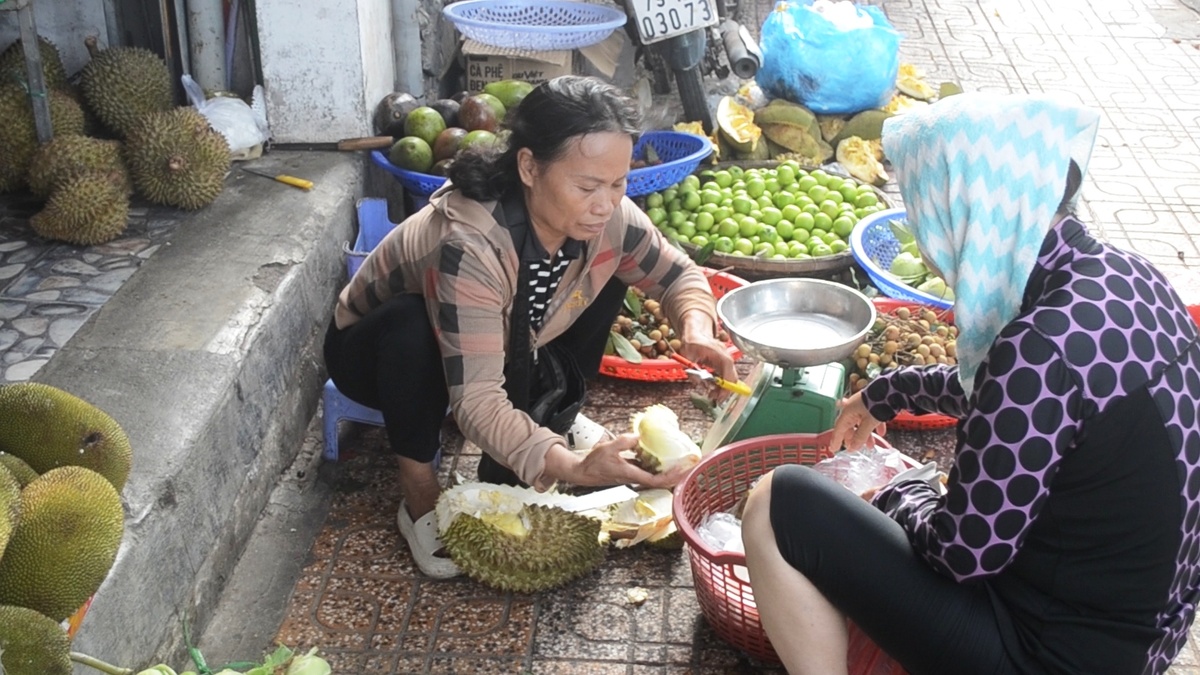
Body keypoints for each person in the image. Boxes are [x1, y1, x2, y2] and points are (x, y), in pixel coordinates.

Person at [741, 92, 1200, 675]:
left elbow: (963, 554)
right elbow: (1032, 403)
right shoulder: (1131, 279)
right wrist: (890, 393)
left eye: (924, 214)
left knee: (776, 503)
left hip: (1048, 654)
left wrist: (901, 493)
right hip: (1139, 641)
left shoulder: (1039, 347)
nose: (929, 251)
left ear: (962, 211)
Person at [325, 76, 736, 579]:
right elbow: (476, 402)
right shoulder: (470, 244)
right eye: (587, 186)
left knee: (608, 271)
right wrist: (571, 468)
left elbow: (677, 275)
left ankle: (555, 417)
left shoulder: (606, 218)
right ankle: (419, 496)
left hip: (507, 338)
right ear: (528, 166)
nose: (606, 203)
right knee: (411, 328)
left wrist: (696, 328)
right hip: (376, 352)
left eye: (618, 183)